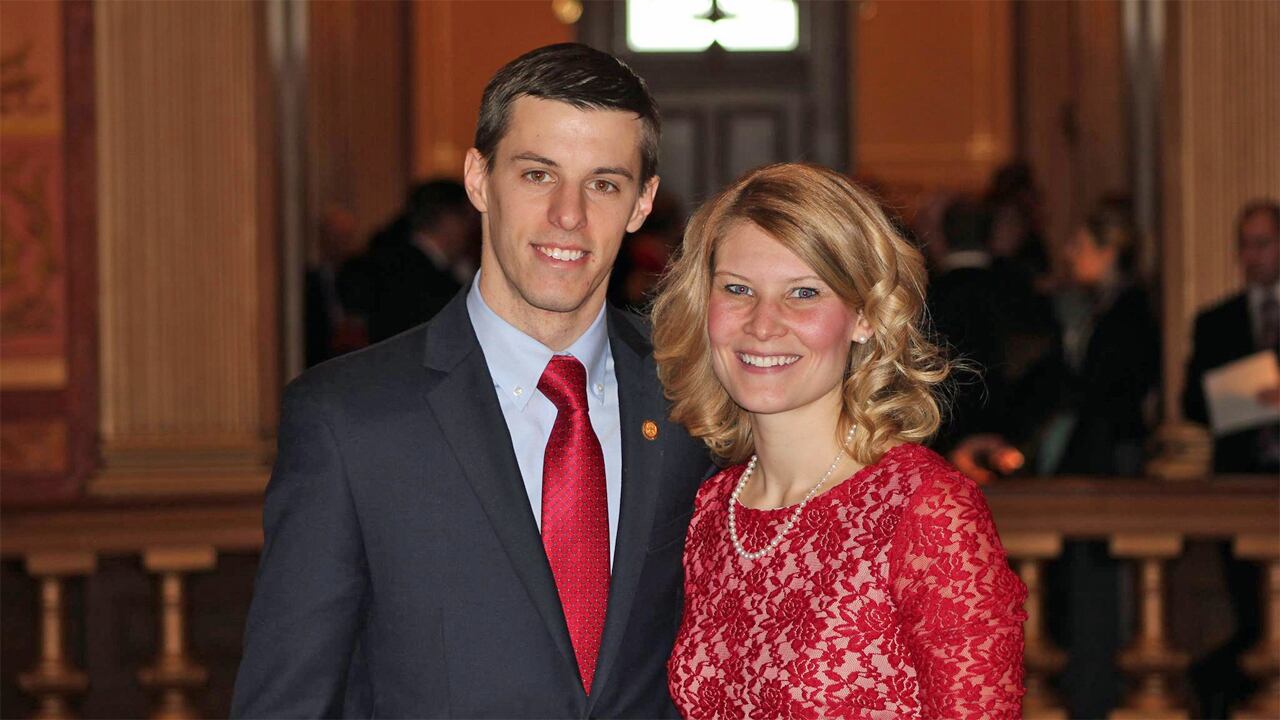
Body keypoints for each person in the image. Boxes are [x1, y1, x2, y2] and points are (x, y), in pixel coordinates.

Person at [232, 43, 712, 718]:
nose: (569, 215)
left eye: (604, 184)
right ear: (479, 179)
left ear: (642, 202)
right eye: (538, 175)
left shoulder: (695, 396)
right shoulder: (347, 419)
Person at [652, 163, 1026, 718]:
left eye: (803, 293)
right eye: (737, 289)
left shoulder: (927, 509)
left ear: (865, 316)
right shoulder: (709, 510)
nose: (762, 324)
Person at [1183, 198, 1280, 474]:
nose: (1251, 256)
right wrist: (1242, 397)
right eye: (1244, 245)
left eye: (1261, 244)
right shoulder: (1215, 323)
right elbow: (1192, 403)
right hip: (1239, 472)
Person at [362, 179, 480, 343]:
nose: (471, 229)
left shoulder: (392, 259)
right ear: (448, 220)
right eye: (468, 218)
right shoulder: (427, 278)